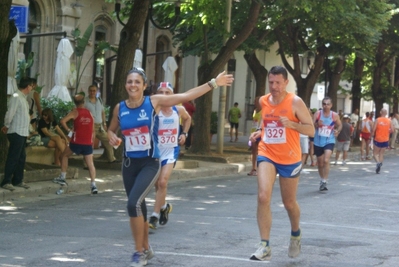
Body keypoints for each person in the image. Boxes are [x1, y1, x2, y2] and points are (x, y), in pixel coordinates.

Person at [107, 67, 233, 267]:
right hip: (129, 164)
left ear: (144, 86)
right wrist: (111, 136)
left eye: (137, 82)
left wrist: (213, 83)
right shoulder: (119, 108)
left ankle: (138, 252)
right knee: (139, 204)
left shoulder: (153, 102)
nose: (133, 85)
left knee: (133, 204)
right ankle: (147, 249)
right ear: (125, 85)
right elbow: (111, 130)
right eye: (129, 82)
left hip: (150, 162)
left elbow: (186, 95)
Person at [248, 66, 314, 261]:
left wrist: (292, 124)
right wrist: (259, 132)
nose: (274, 86)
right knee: (262, 196)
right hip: (267, 153)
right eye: (271, 82)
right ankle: (264, 245)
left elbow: (311, 131)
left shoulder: (295, 102)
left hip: (290, 157)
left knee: (289, 203)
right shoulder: (263, 101)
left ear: (286, 82)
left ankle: (295, 233)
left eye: (278, 82)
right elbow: (266, 123)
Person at [148, 82, 191, 230]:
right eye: (161, 92)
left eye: (168, 93)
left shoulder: (178, 110)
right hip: (156, 151)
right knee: (157, 183)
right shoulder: (154, 110)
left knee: (162, 182)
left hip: (171, 151)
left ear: (173, 96)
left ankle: (154, 216)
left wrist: (184, 133)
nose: (164, 95)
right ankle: (164, 206)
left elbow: (188, 119)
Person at [53, 94, 97, 194]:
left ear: (75, 103)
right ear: (84, 102)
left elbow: (62, 121)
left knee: (64, 155)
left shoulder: (75, 112)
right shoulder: (89, 113)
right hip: (87, 142)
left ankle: (63, 177)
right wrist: (92, 142)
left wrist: (69, 130)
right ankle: (93, 184)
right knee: (90, 164)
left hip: (76, 141)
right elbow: (93, 130)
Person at [1, 78, 34, 191]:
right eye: (31, 86)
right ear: (27, 86)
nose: (31, 88)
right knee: (13, 157)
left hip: (22, 132)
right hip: (16, 131)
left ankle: (18, 180)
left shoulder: (23, 98)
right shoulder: (16, 97)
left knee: (21, 157)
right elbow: (10, 112)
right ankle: (7, 181)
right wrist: (6, 124)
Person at [313, 96, 342, 191]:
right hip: (318, 141)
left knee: (326, 160)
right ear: (322, 105)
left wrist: (337, 130)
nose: (326, 106)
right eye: (324, 104)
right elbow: (311, 125)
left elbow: (340, 124)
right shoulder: (317, 114)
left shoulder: (334, 115)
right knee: (320, 163)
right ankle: (322, 179)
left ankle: (325, 180)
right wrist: (317, 124)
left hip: (329, 140)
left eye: (328, 104)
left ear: (331, 105)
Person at [84, 84, 118, 163]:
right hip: (91, 126)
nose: (92, 92)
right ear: (88, 91)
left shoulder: (99, 100)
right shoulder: (85, 101)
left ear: (96, 91)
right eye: (91, 91)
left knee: (108, 140)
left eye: (94, 91)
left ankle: (112, 159)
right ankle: (86, 164)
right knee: (89, 145)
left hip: (100, 126)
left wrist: (104, 123)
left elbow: (102, 112)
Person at [371, 108, 393, 174]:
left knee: (375, 154)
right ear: (386, 113)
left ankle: (378, 163)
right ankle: (380, 165)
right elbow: (392, 130)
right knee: (381, 153)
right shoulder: (389, 121)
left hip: (378, 139)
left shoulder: (377, 120)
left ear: (380, 112)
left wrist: (371, 136)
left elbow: (373, 130)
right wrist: (387, 132)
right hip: (385, 139)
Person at [248, 96, 261, 176]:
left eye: (256, 101)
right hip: (254, 133)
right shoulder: (255, 111)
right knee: (253, 151)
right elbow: (254, 122)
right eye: (254, 101)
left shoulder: (264, 111)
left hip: (260, 133)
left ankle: (259, 169)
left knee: (259, 152)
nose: (254, 103)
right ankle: (253, 168)